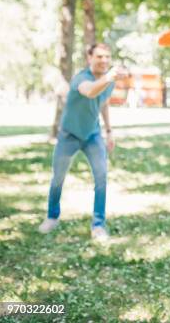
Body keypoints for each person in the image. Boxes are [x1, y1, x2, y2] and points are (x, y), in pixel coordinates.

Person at [38, 43, 127, 241]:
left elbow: (102, 103)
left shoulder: (108, 81)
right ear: (89, 58)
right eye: (99, 56)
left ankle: (98, 225)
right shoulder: (81, 79)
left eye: (107, 57)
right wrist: (110, 77)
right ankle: (52, 216)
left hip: (92, 135)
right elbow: (91, 92)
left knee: (101, 177)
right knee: (58, 178)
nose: (104, 60)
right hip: (69, 135)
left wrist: (109, 131)